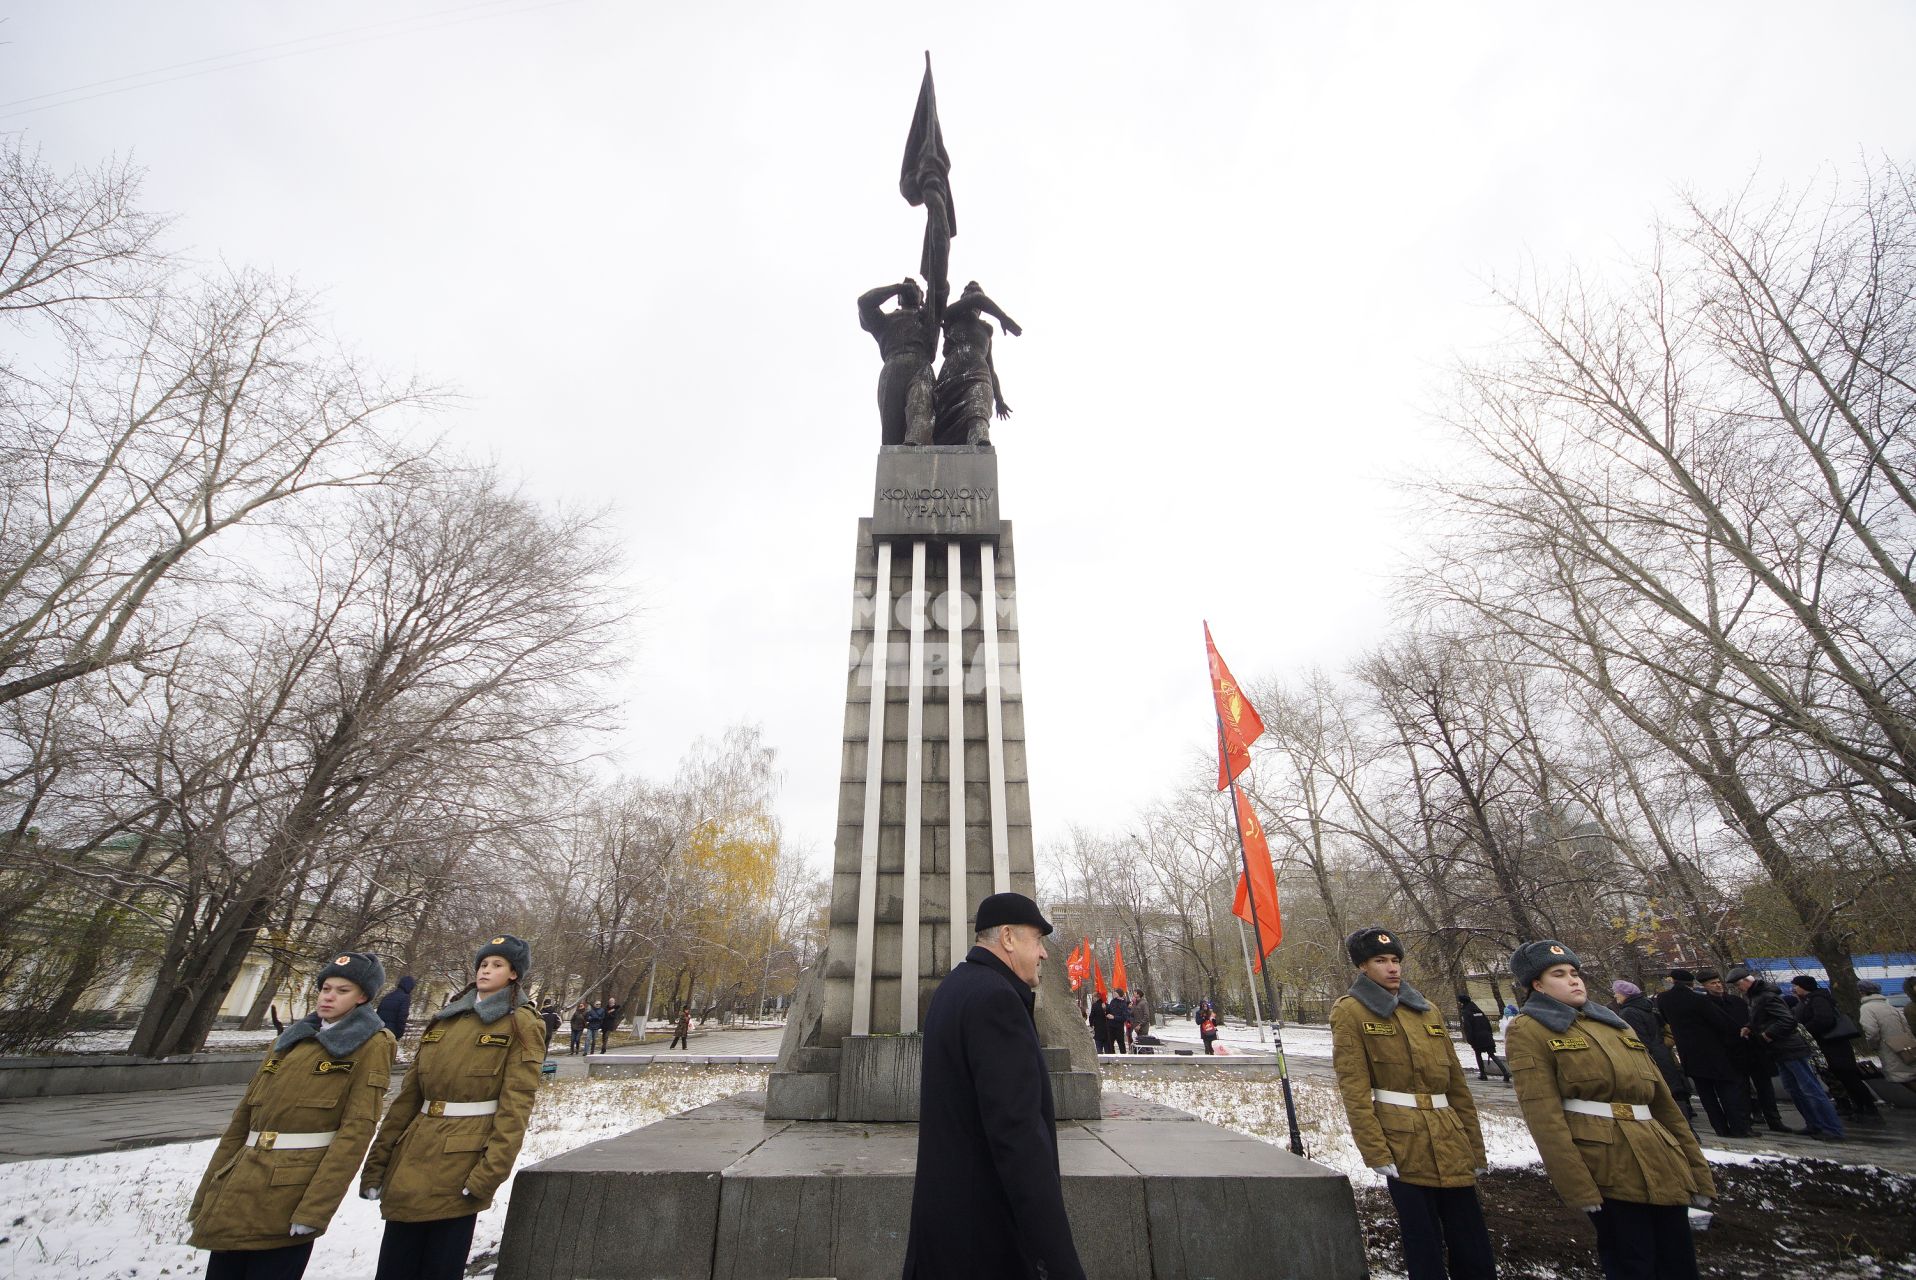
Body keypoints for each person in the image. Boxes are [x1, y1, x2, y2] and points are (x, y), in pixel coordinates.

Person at [902, 891, 1085, 1280]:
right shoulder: (996, 1001)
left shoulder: (954, 988)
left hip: (946, 1233)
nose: (1044, 954)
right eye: (1037, 939)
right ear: (1007, 937)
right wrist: (1061, 1263)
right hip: (984, 1242)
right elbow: (1018, 1139)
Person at [1506, 940, 1713, 1280]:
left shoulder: (1616, 1025)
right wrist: (1577, 1186)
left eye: (1575, 972)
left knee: (1678, 1260)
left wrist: (1696, 1169)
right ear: (1536, 985)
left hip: (1661, 1156)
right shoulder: (1529, 1030)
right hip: (1606, 1162)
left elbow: (1663, 1103)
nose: (1574, 980)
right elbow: (1544, 1115)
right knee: (1633, 1259)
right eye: (1559, 974)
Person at [189, 950, 395, 1280]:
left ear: (363, 998)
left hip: (289, 1191)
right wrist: (207, 1191)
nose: (329, 997)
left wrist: (316, 1207)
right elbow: (241, 1123)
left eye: (342, 991)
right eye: (326, 988)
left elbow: (355, 1132)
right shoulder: (289, 1040)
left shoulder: (372, 1045)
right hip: (238, 1185)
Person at [360, 935, 545, 1280]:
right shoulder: (444, 1019)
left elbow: (516, 1105)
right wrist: (378, 1161)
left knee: (439, 1265)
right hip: (414, 1153)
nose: (486, 970)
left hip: (462, 1160)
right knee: (396, 1262)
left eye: (497, 965)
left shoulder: (521, 1023)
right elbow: (407, 1100)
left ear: (514, 975)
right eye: (483, 964)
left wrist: (489, 1174)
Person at [1331, 927, 1494, 1280]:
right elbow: (1355, 1089)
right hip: (1403, 1140)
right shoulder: (1351, 1012)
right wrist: (1375, 1151)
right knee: (1423, 1244)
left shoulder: (1427, 1010)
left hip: (1450, 1136)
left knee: (1472, 1242)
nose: (1392, 968)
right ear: (1362, 966)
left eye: (1395, 960)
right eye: (1380, 961)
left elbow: (1457, 1088)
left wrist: (1475, 1149)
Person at [1731, 967, 1842, 1140]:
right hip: (1779, 1050)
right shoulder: (1756, 997)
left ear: (1746, 981)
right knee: (1794, 1088)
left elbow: (1787, 1020)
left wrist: (1768, 1034)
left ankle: (1832, 1129)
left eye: (1739, 985)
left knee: (1810, 1088)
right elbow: (1762, 1018)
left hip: (1789, 1048)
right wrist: (1749, 1026)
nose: (1739, 989)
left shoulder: (1766, 996)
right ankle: (1815, 1124)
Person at [1655, 968, 1751, 1138]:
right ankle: (1738, 1127)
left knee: (1706, 1095)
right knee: (1727, 1091)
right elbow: (1721, 1022)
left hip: (1689, 1054)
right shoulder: (1698, 1000)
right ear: (1692, 983)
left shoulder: (1663, 1000)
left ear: (1673, 981)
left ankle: (1720, 1128)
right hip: (1713, 1052)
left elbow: (1667, 1021)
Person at [933, 281, 1021, 446]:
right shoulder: (950, 315)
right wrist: (1003, 318)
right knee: (942, 423)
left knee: (978, 406)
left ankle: (980, 440)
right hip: (952, 372)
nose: (974, 296)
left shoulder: (986, 331)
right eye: (969, 292)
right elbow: (977, 298)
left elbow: (991, 368)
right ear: (963, 300)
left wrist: (999, 399)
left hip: (979, 371)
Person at [1789, 975, 1883, 1125]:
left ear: (1804, 986)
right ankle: (1860, 1107)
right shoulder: (1810, 1000)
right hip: (1829, 1044)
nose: (1794, 988)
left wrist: (1806, 1031)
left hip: (1834, 1044)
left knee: (1849, 1076)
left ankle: (1868, 1108)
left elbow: (1824, 1020)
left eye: (1796, 985)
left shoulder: (1818, 999)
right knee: (1843, 1076)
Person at [858, 278, 937, 446]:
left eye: (916, 288)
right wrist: (897, 288)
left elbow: (940, 289)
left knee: (920, 413)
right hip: (892, 368)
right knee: (891, 436)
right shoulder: (884, 321)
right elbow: (864, 302)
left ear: (922, 298)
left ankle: (915, 447)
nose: (911, 288)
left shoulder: (928, 319)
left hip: (921, 367)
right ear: (898, 298)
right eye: (907, 288)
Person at [1707, 970, 1785, 1133]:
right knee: (1741, 1089)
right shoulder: (1707, 1005)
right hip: (1732, 1052)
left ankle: (1774, 1120)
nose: (1718, 985)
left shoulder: (1737, 1001)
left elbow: (1753, 1019)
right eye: (1713, 983)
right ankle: (1746, 1120)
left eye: (1718, 982)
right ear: (1705, 986)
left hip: (1753, 1048)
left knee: (1764, 1087)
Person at [1611, 981, 1694, 1125]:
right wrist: (1663, 1045)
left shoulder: (1628, 1012)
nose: (1615, 995)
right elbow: (1667, 1031)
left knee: (1662, 1096)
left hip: (1650, 1058)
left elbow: (1638, 1040)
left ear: (1625, 994)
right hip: (1664, 1055)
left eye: (1617, 992)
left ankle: (1680, 1130)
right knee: (1673, 1093)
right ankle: (1686, 1129)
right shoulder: (1649, 1007)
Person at [1856, 979, 1916, 1094]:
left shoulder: (1867, 1008)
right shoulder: (1888, 1005)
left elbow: (1871, 1031)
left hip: (1888, 1048)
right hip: (1904, 1046)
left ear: (1862, 992)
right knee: (1910, 1075)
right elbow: (1906, 1026)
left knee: (1903, 1077)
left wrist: (1873, 1045)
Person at [1457, 994, 1511, 1083]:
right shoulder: (1479, 1010)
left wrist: (1470, 1039)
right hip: (1487, 1036)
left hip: (1477, 1037)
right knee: (1492, 1055)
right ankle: (1505, 1073)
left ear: (1462, 1002)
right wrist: (1490, 1034)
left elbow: (1468, 1027)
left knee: (1478, 1054)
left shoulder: (1466, 1012)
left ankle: (1483, 1074)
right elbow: (1487, 1024)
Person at [376, 975, 415, 1041]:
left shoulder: (388, 996)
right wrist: (399, 1034)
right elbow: (402, 1016)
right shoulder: (405, 998)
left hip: (378, 1031)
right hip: (390, 1034)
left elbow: (378, 1013)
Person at [1105, 988, 1131, 1055]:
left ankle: (1123, 1057)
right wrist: (1105, 1008)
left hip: (1119, 1027)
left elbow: (1124, 1017)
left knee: (1121, 1043)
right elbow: (1109, 1010)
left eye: (1115, 993)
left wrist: (1114, 1017)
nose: (1113, 994)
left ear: (1119, 994)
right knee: (1110, 1044)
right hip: (1110, 1026)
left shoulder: (1124, 1003)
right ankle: (1111, 1057)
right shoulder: (1113, 1001)